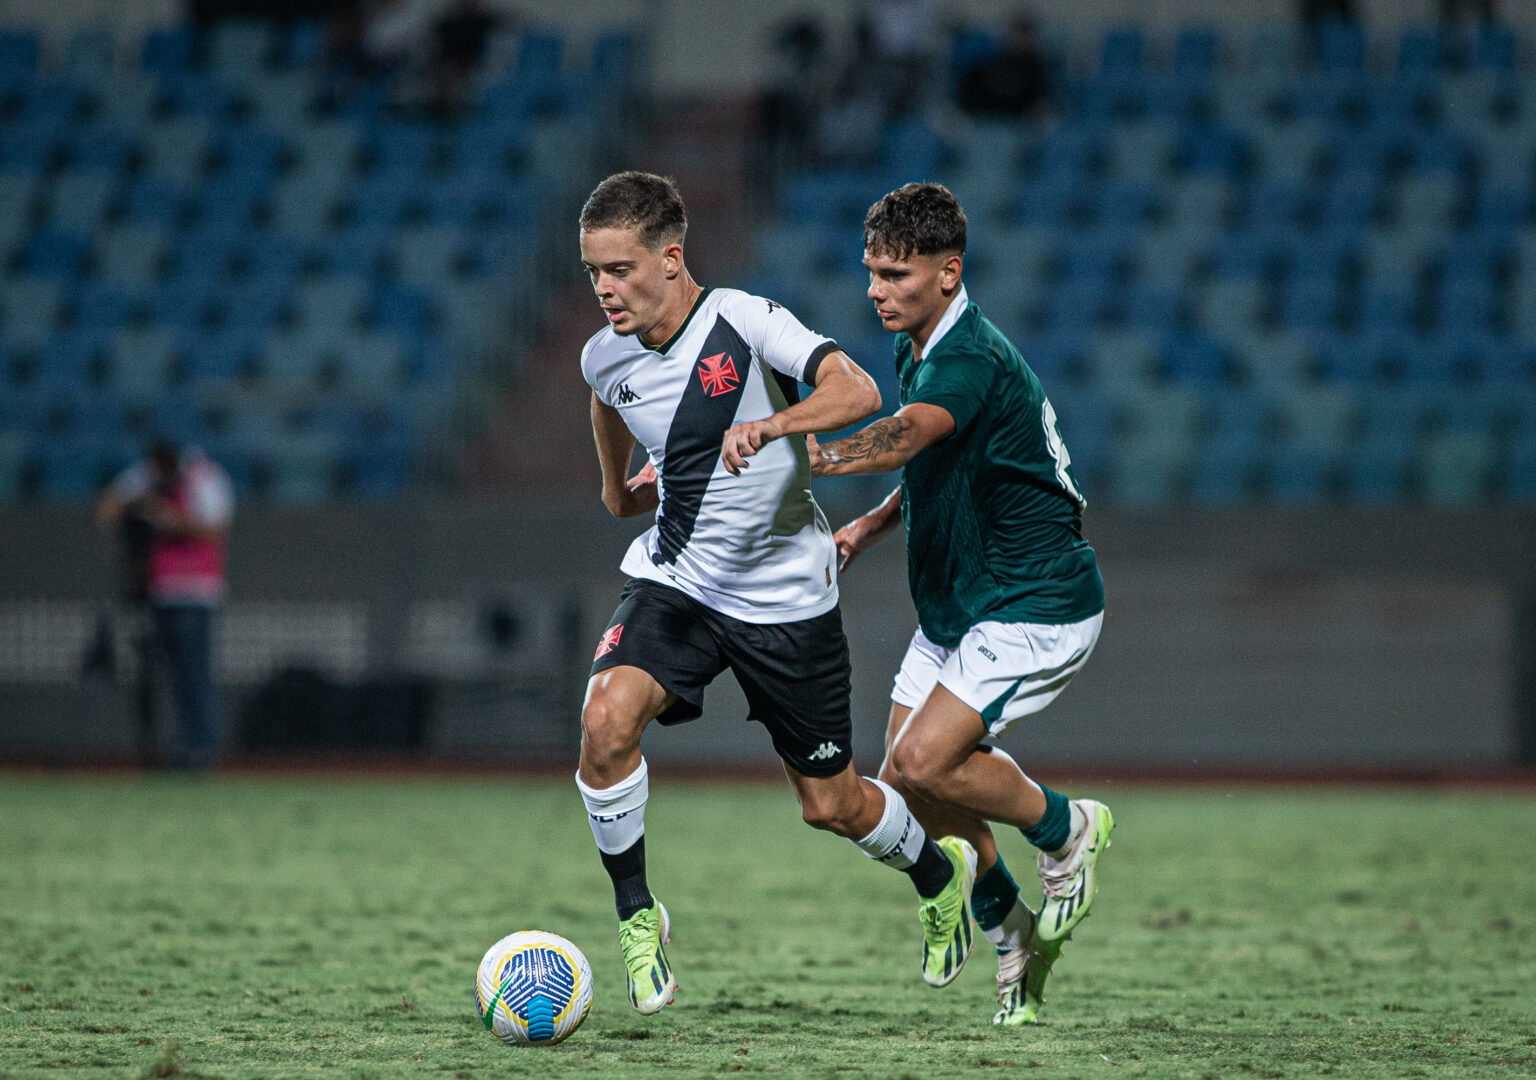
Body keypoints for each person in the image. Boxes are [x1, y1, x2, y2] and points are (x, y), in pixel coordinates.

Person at [575, 171, 980, 1016]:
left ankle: (939, 877)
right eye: (593, 273)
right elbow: (607, 404)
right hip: (679, 582)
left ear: (670, 259)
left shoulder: (746, 321)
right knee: (605, 721)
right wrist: (619, 490)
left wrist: (773, 425)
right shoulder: (604, 353)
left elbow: (859, 391)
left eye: (619, 269)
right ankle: (638, 917)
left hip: (788, 601)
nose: (605, 289)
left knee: (832, 806)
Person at [809, 182, 1112, 1026]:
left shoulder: (969, 355)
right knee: (912, 787)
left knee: (921, 762)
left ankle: (1067, 828)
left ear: (949, 273)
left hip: (1035, 600)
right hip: (961, 604)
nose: (877, 290)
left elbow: (905, 435)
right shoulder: (919, 343)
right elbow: (931, 462)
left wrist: (810, 455)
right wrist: (869, 527)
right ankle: (1012, 928)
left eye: (896, 275)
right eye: (871, 272)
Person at [96, 438, 234, 772]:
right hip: (161, 590)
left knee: (195, 675)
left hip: (196, 591)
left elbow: (216, 527)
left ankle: (201, 750)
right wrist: (129, 541)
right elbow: (109, 507)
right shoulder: (148, 476)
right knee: (172, 678)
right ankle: (181, 748)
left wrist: (172, 521)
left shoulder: (204, 477)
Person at [957, 15, 1052, 121]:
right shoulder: (992, 61)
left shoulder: (1037, 68)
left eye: (1024, 35)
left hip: (1019, 118)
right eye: (1016, 34)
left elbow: (1035, 99)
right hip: (984, 114)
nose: (1019, 40)